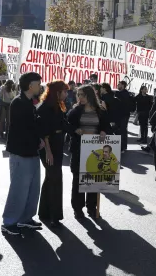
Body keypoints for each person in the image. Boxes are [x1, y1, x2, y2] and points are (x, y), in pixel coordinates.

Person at [1, 72, 44, 236]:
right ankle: (9, 222)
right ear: (30, 85)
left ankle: (25, 218)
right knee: (19, 188)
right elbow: (22, 129)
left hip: (31, 151)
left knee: (33, 188)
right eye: (38, 83)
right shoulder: (19, 102)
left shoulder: (29, 102)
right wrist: (36, 140)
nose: (40, 86)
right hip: (21, 151)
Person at [66, 85, 112, 219]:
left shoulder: (100, 110)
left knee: (93, 178)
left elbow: (106, 126)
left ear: (90, 96)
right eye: (78, 95)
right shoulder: (76, 110)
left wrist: (103, 131)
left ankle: (92, 207)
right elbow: (67, 125)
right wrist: (75, 130)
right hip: (79, 149)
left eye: (82, 95)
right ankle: (78, 208)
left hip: (95, 149)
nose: (80, 97)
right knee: (78, 180)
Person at [37, 80, 69, 226]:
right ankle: (55, 216)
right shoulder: (45, 108)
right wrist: (48, 152)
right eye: (64, 91)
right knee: (55, 179)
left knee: (51, 178)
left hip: (57, 144)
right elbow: (44, 133)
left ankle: (44, 212)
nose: (67, 94)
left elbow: (65, 125)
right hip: (49, 147)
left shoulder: (58, 106)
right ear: (57, 92)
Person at [115, 80, 135, 152]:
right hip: (124, 115)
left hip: (123, 115)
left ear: (123, 85)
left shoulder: (124, 94)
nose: (117, 85)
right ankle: (123, 146)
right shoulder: (125, 93)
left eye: (119, 84)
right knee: (123, 130)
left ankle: (122, 147)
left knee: (122, 130)